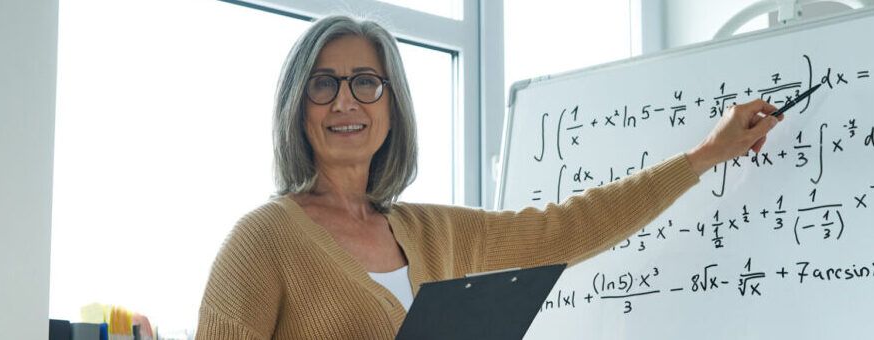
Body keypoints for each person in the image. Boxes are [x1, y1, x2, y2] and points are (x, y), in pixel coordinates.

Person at [197, 15, 783, 339]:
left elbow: (569, 229)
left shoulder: (434, 232)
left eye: (365, 83)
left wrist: (705, 154)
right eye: (324, 84)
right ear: (299, 107)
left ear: (392, 105)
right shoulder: (262, 240)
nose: (346, 102)